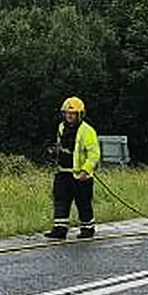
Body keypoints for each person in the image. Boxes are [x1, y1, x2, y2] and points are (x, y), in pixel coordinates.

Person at [45, 96, 101, 240]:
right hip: (63, 171)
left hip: (80, 175)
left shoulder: (87, 131)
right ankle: (60, 229)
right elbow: (62, 146)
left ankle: (87, 229)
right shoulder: (61, 127)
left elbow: (94, 154)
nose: (69, 116)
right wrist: (55, 152)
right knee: (60, 200)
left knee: (83, 202)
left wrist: (86, 170)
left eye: (73, 114)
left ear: (80, 114)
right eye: (67, 113)